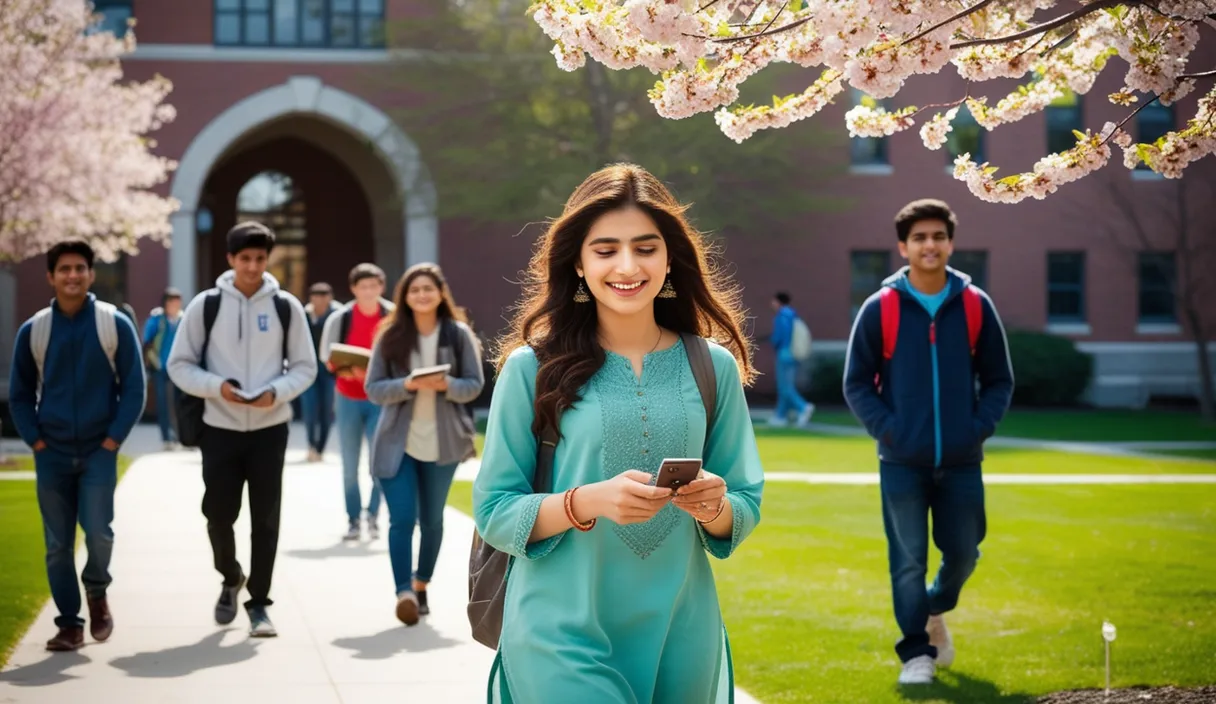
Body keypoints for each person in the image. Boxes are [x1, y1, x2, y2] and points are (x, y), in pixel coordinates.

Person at [472, 163, 764, 702]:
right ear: (578, 264)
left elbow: (745, 500)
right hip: (560, 630)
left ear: (669, 256)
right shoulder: (530, 367)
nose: (627, 265)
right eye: (605, 250)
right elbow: (494, 510)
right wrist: (587, 501)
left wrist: (713, 505)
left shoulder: (712, 366)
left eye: (645, 247)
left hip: (682, 629)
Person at [843, 198, 1013, 685]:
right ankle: (916, 653)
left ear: (950, 243)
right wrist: (891, 431)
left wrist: (976, 428)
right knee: (908, 560)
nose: (929, 245)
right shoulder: (882, 309)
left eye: (938, 236)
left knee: (964, 552)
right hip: (902, 461)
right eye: (919, 237)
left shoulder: (977, 306)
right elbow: (857, 383)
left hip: (962, 459)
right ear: (903, 246)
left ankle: (935, 606)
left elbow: (999, 380)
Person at [167, 221, 317, 638]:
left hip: (271, 428)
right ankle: (231, 576)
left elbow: (306, 367)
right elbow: (179, 364)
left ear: (267, 260)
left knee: (265, 519)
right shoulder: (205, 306)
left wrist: (276, 392)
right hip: (219, 427)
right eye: (244, 258)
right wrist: (218, 388)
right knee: (218, 514)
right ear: (231, 259)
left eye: (259, 258)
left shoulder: (286, 306)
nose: (252, 266)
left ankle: (259, 604)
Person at [8, 241, 146, 651]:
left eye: (80, 268)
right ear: (51, 276)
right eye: (64, 269)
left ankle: (97, 590)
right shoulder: (34, 329)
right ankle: (70, 623)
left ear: (91, 274)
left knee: (100, 534)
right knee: (56, 545)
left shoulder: (113, 323)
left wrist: (111, 441)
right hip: (50, 453)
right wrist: (34, 439)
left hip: (98, 453)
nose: (73, 275)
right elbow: (19, 394)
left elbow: (134, 389)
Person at [364, 263, 484, 625]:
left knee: (432, 521)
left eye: (428, 289)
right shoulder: (391, 335)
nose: (421, 295)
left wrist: (446, 385)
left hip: (443, 444)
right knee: (401, 519)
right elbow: (373, 389)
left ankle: (420, 584)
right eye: (414, 290)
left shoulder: (458, 334)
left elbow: (474, 384)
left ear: (440, 293)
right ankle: (403, 592)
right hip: (397, 444)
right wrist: (409, 385)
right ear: (405, 296)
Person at [318, 263, 394, 541]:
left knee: (379, 464)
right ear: (353, 289)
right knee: (349, 465)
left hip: (380, 400)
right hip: (347, 397)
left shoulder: (393, 316)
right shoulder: (340, 318)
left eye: (374, 285)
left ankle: (372, 516)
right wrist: (351, 370)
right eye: (363, 286)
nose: (368, 291)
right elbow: (327, 357)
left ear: (381, 287)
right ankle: (353, 520)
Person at [302, 282, 340, 462]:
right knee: (309, 410)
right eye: (316, 296)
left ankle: (320, 448)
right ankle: (311, 444)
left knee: (327, 411)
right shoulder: (304, 315)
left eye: (324, 296)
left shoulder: (338, 315)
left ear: (330, 297)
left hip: (330, 371)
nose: (320, 300)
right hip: (308, 370)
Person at [143, 287, 184, 450]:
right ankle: (166, 438)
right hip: (159, 367)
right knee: (163, 403)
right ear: (166, 303)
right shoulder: (157, 320)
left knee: (179, 403)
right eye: (172, 302)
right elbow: (147, 342)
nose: (176, 305)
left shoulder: (183, 319)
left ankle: (181, 437)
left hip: (178, 368)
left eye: (178, 302)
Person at [769, 291, 814, 427]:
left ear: (779, 302)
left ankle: (803, 407)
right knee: (784, 387)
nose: (772, 304)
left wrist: (773, 341)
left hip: (784, 354)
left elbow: (780, 337)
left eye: (774, 301)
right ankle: (780, 416)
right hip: (792, 355)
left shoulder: (782, 316)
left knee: (785, 387)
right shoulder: (792, 315)